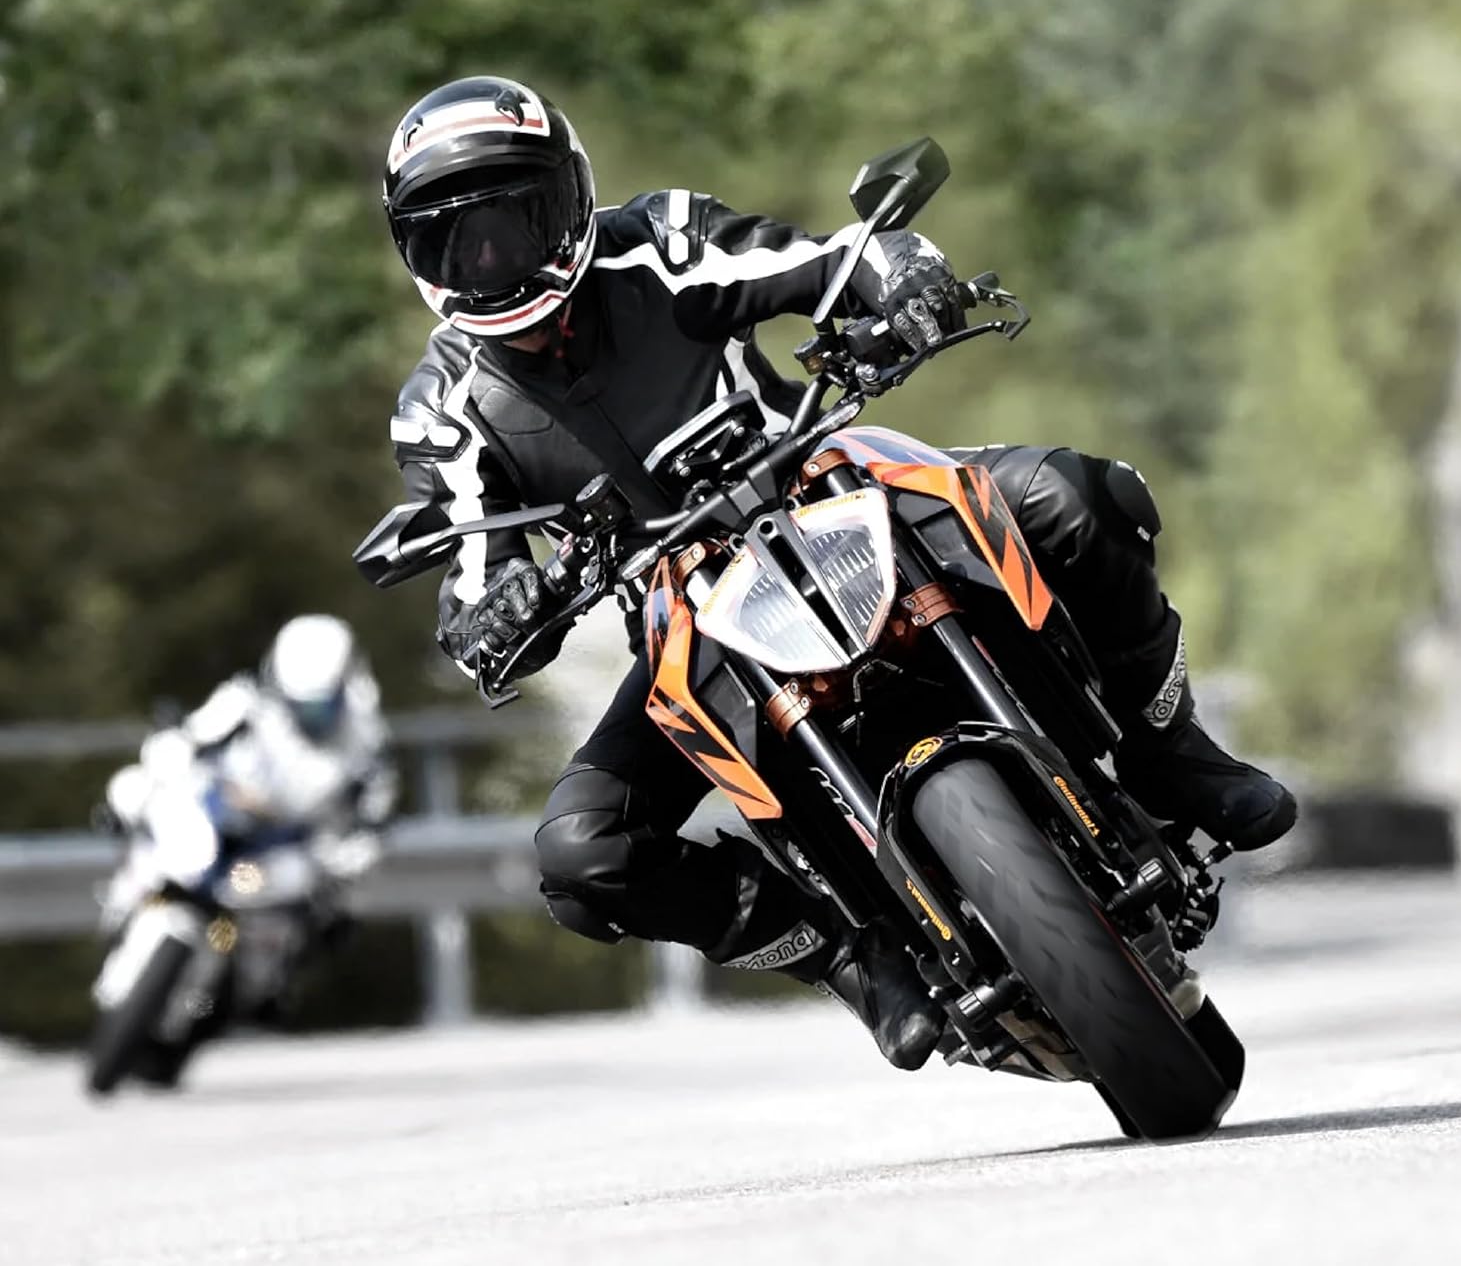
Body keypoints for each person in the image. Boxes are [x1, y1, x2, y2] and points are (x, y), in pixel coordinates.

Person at [378, 74, 1298, 1069]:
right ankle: (849, 953)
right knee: (582, 855)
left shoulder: (660, 243)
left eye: (513, 221)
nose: (491, 259)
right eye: (455, 240)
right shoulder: (444, 408)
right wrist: (500, 611)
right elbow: (474, 575)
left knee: (1080, 498)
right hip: (689, 602)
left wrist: (904, 287)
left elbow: (835, 258)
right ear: (417, 253)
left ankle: (1172, 753)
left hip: (828, 484)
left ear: (569, 195)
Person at [101, 614, 396, 930]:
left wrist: (349, 853)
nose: (310, 716)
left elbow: (373, 817)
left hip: (276, 849)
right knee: (135, 789)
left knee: (311, 904)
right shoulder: (248, 700)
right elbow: (191, 736)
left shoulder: (367, 742)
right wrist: (174, 748)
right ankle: (131, 896)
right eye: (301, 705)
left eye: (320, 706)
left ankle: (244, 957)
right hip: (215, 813)